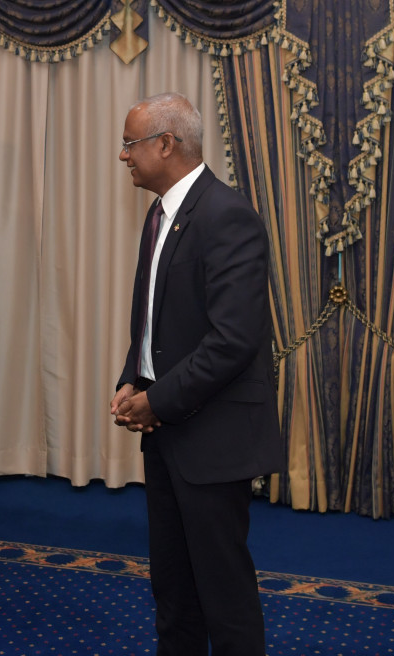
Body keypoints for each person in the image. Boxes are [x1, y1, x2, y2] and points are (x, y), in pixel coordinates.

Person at [111, 93, 282, 656]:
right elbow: (157, 321)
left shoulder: (226, 215)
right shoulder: (161, 215)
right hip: (169, 434)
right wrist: (133, 379)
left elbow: (233, 340)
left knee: (224, 593)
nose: (122, 155)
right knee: (174, 588)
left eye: (131, 144)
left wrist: (157, 403)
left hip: (214, 436)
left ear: (165, 144)